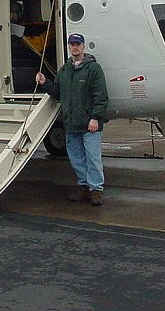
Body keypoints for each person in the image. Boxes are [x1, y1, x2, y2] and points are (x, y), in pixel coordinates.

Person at [36, 33, 109, 206]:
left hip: (89, 124)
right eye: (72, 44)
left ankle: (96, 189)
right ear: (69, 47)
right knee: (76, 158)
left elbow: (101, 96)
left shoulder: (93, 69)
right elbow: (57, 92)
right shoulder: (64, 70)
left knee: (93, 158)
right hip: (71, 124)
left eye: (78, 44)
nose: (75, 47)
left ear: (83, 46)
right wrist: (45, 82)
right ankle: (84, 186)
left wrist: (95, 118)